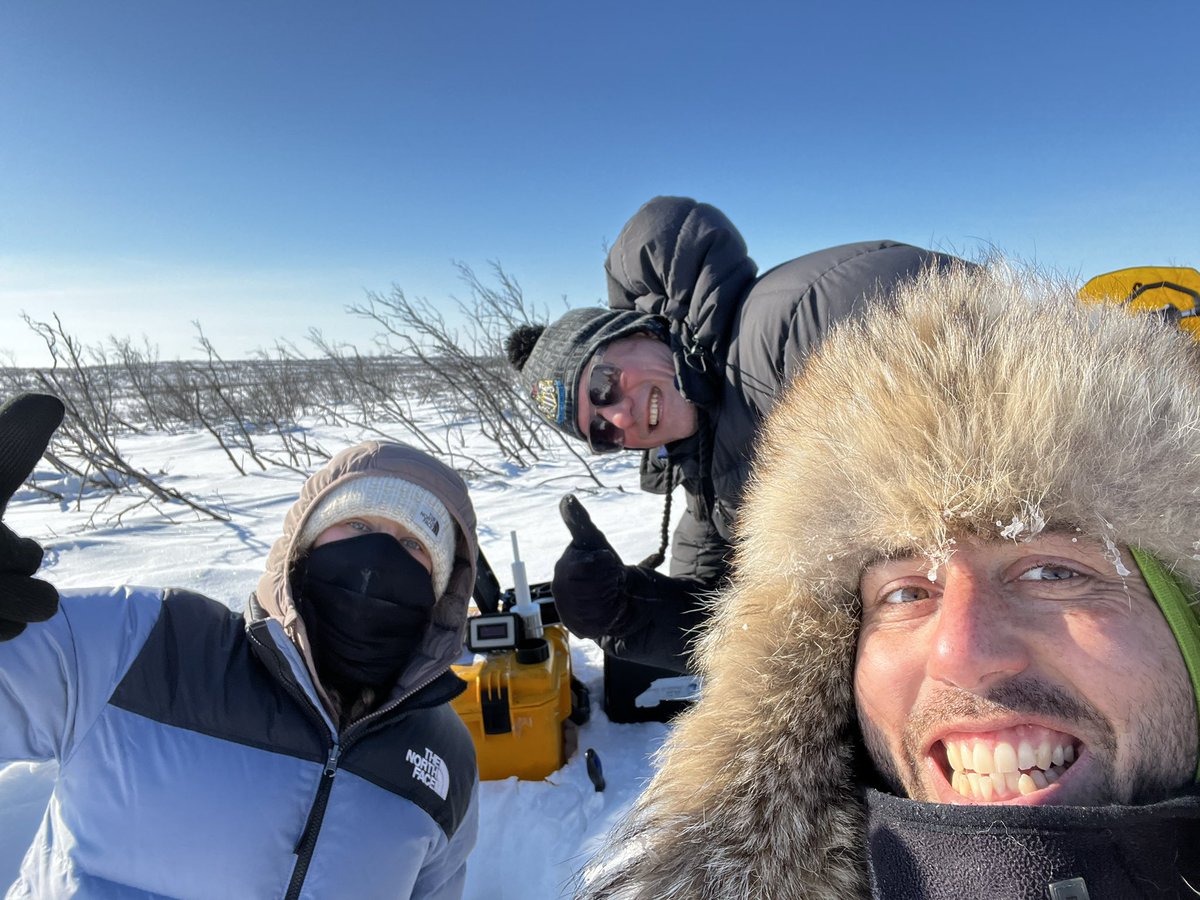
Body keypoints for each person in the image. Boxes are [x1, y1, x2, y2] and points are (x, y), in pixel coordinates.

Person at [578, 262, 1200, 898]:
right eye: (906, 593)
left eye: (1052, 571)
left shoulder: (796, 318)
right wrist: (634, 611)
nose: (962, 654)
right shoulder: (706, 466)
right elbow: (753, 608)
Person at [0, 397, 480, 899]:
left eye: (412, 546)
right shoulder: (141, 642)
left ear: (440, 588)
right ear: (304, 543)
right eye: (358, 525)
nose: (376, 559)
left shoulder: (445, 758)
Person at [507, 195, 960, 672]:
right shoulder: (707, 466)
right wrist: (629, 613)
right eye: (600, 432)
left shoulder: (801, 332)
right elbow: (737, 622)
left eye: (604, 385)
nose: (619, 419)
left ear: (640, 331)